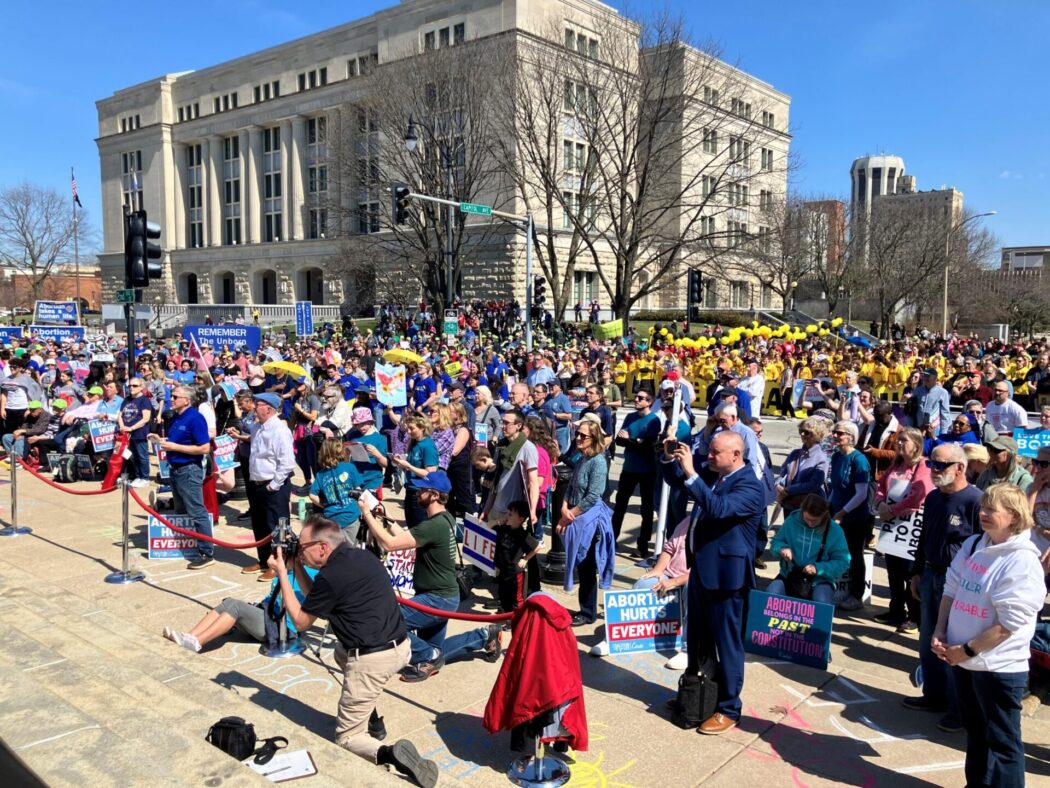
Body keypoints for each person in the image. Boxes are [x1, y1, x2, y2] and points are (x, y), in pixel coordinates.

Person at [267, 515, 439, 788]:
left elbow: (300, 621)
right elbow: (317, 599)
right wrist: (297, 564)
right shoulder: (358, 556)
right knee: (340, 652)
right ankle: (372, 717)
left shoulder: (333, 575)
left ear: (322, 547)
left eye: (302, 547)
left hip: (373, 659)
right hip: (398, 645)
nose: (299, 551)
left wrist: (281, 574)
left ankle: (390, 753)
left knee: (347, 738)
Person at [932, 483, 1046, 788]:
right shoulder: (973, 546)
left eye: (990, 509)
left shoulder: (1022, 561)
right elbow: (951, 589)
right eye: (982, 507)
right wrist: (940, 629)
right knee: (976, 733)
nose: (982, 513)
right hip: (965, 663)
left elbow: (1009, 624)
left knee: (1003, 742)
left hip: (998, 669)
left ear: (1012, 516)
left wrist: (966, 651)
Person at [661, 431, 766, 735]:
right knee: (697, 638)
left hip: (727, 578)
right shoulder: (715, 473)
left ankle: (729, 707)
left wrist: (692, 472)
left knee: (727, 643)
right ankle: (699, 690)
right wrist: (671, 458)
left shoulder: (750, 486)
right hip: (701, 571)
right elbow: (677, 481)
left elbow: (719, 508)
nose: (709, 456)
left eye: (715, 453)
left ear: (736, 454)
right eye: (709, 451)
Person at [361, 471, 502, 682]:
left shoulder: (434, 525)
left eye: (423, 490)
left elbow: (390, 544)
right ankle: (485, 636)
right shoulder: (444, 518)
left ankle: (428, 657)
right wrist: (384, 517)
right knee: (436, 651)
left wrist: (367, 514)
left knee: (390, 623)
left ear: (435, 495)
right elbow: (404, 537)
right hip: (441, 596)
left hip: (437, 599)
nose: (417, 492)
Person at [904, 442, 982, 733]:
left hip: (959, 583)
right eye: (932, 464)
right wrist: (915, 571)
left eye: (941, 465)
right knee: (928, 640)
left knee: (951, 643)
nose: (934, 470)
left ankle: (958, 709)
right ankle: (933, 696)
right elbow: (923, 536)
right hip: (930, 575)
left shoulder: (975, 501)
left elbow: (982, 547)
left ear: (960, 468)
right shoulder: (935, 497)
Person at [162, 562, 318, 652]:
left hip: (280, 628)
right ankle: (190, 636)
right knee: (228, 602)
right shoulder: (288, 568)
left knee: (236, 607)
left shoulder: (309, 573)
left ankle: (197, 642)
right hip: (266, 613)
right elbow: (272, 597)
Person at [872, 427, 933, 632]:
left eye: (903, 441)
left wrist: (892, 510)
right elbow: (881, 486)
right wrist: (881, 503)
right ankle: (895, 610)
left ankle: (914, 615)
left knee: (909, 573)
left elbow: (918, 496)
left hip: (910, 528)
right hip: (892, 526)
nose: (898, 444)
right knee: (893, 571)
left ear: (915, 445)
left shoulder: (923, 466)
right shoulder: (896, 464)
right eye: (898, 440)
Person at [555, 418, 613, 627]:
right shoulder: (582, 458)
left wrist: (569, 513)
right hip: (574, 516)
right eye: (577, 434)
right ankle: (584, 608)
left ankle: (588, 613)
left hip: (588, 521)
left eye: (583, 435)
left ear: (594, 438)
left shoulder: (598, 461)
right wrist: (563, 506)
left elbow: (592, 496)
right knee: (581, 564)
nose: (578, 438)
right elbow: (571, 486)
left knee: (587, 566)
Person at [151, 385, 214, 570]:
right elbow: (177, 442)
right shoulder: (177, 417)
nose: (172, 399)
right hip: (176, 469)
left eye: (176, 396)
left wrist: (175, 448)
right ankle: (187, 544)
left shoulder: (195, 418)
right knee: (180, 510)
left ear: (187, 400)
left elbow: (204, 448)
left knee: (196, 511)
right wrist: (162, 441)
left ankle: (207, 552)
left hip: (189, 470)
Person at [245, 392, 296, 582]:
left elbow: (287, 463)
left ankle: (279, 563)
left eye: (257, 404)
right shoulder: (256, 427)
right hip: (256, 483)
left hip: (274, 486)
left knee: (278, 526)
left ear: (268, 408)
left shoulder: (280, 430)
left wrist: (273, 485)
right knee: (259, 524)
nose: (254, 407)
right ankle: (264, 560)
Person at [768, 494, 850, 605]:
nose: (810, 523)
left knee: (822, 603)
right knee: (770, 597)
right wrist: (782, 549)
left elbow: (843, 562)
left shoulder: (834, 531)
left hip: (820, 580)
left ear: (824, 516)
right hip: (790, 575)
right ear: (802, 511)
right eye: (807, 519)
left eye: (815, 521)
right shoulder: (792, 520)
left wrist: (818, 568)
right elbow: (776, 542)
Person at [827, 420, 873, 611]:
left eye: (840, 433)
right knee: (836, 552)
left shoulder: (859, 460)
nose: (835, 436)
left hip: (855, 516)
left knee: (855, 554)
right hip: (836, 511)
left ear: (851, 437)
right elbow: (835, 487)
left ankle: (856, 594)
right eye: (834, 432)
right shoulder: (837, 456)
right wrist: (828, 506)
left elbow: (861, 493)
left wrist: (842, 512)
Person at [612, 388, 661, 556]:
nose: (637, 400)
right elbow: (618, 440)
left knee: (646, 509)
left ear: (649, 402)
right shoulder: (630, 417)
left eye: (641, 398)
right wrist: (635, 441)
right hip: (629, 468)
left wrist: (630, 441)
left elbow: (647, 446)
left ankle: (643, 544)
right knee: (620, 505)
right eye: (636, 397)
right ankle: (612, 538)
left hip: (647, 470)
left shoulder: (654, 420)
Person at [481, 409, 539, 526]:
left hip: (513, 512)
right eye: (502, 422)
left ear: (518, 426)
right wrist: (486, 509)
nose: (503, 426)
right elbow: (496, 480)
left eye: (507, 423)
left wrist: (532, 511)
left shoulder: (528, 448)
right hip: (495, 508)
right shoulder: (502, 446)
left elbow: (533, 483)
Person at [310, 438, 365, 544]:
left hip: (332, 516)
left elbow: (312, 495)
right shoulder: (350, 467)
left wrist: (324, 505)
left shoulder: (321, 474)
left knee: (335, 547)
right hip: (351, 514)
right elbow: (358, 490)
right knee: (351, 547)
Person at [493, 500, 540, 618]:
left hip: (515, 572)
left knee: (516, 596)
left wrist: (525, 559)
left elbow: (537, 547)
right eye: (507, 513)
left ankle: (517, 617)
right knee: (503, 593)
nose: (507, 516)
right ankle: (505, 612)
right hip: (503, 569)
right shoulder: (503, 528)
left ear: (520, 519)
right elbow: (488, 526)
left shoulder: (522, 534)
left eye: (510, 514)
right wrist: (498, 521)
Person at [775, 417, 830, 516]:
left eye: (807, 432)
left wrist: (788, 490)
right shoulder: (795, 453)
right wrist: (778, 485)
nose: (802, 434)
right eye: (801, 430)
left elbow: (814, 485)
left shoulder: (821, 459)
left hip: (808, 507)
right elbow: (783, 472)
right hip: (789, 503)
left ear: (817, 435)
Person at [392, 413, 440, 527]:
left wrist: (408, 465)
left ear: (422, 428)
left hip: (421, 492)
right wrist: (401, 463)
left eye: (412, 428)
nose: (408, 431)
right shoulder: (414, 443)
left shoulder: (428, 446)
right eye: (407, 428)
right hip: (410, 490)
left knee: (419, 529)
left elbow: (430, 474)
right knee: (412, 527)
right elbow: (413, 466)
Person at [118, 377, 154, 487]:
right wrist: (122, 426)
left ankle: (145, 477)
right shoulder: (126, 399)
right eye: (130, 386)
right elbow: (120, 415)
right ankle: (138, 476)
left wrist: (132, 428)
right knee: (133, 456)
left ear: (141, 387)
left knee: (142, 456)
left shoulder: (144, 400)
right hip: (127, 434)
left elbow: (146, 418)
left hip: (139, 432)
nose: (131, 388)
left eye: (134, 386)